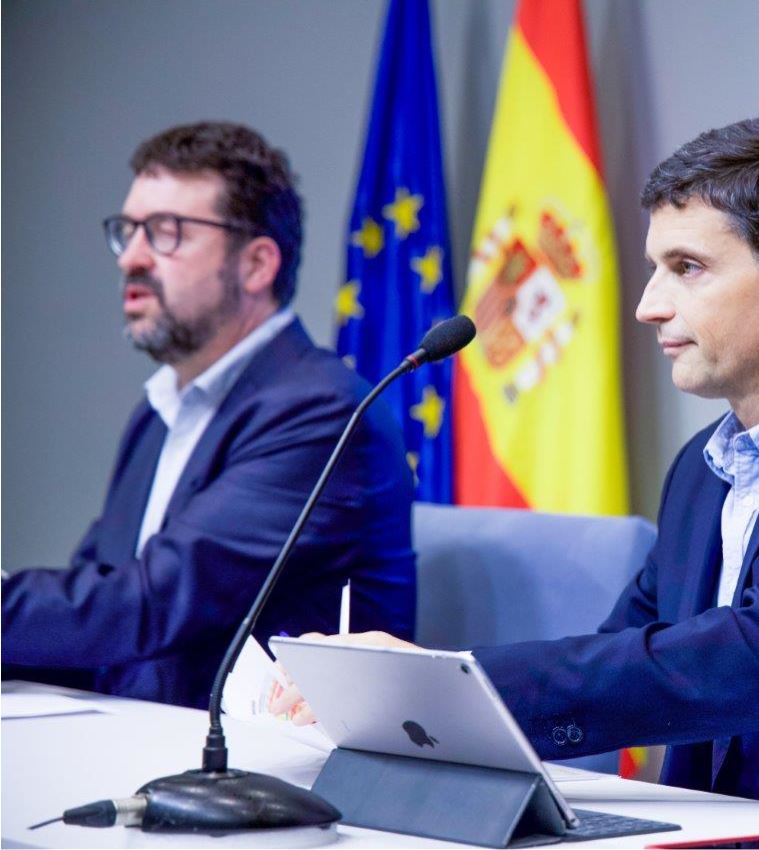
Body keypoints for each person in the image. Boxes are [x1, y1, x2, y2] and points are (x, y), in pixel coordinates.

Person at [272, 117, 759, 800]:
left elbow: (742, 660)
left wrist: (451, 682)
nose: (648, 305)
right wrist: (432, 695)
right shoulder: (698, 472)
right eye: (653, 269)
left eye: (687, 268)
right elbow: (626, 656)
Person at [2, 121, 416, 709]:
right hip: (136, 746)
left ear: (256, 265)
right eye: (128, 232)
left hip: (269, 777)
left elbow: (150, 604)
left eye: (165, 233)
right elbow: (91, 612)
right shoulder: (160, 411)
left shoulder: (322, 413)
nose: (132, 259)